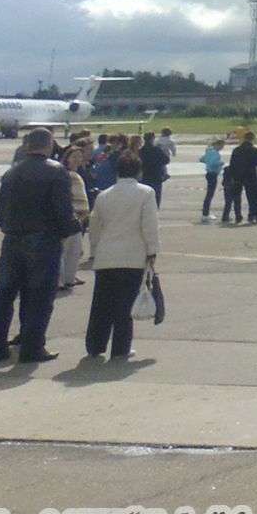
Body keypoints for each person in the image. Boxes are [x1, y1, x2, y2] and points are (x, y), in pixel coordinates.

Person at [0, 127, 77, 364]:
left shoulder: (11, 173)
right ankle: (32, 348)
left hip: (13, 238)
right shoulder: (56, 172)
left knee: (5, 294)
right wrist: (71, 229)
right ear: (48, 145)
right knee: (40, 296)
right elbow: (63, 211)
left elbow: (1, 212)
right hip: (43, 239)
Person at [82, 150, 158, 362]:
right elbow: (149, 225)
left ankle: (95, 345)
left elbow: (95, 226)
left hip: (106, 255)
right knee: (125, 304)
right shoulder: (146, 193)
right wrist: (152, 250)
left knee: (102, 303)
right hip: (132, 256)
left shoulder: (103, 195)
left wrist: (95, 251)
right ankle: (120, 348)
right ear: (138, 171)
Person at [57, 145, 90, 291]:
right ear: (67, 158)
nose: (78, 159)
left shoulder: (79, 174)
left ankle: (69, 279)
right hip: (69, 217)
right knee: (64, 251)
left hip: (78, 220)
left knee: (75, 251)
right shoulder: (65, 174)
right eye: (74, 156)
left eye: (79, 156)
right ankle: (60, 280)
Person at [137, 131, 168, 207]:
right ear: (152, 139)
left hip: (144, 177)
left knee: (144, 198)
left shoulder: (140, 151)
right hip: (155, 177)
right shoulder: (157, 150)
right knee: (155, 198)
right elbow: (166, 160)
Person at [199, 140, 223, 223]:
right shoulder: (215, 153)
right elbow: (213, 163)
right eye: (221, 146)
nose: (222, 148)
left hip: (208, 173)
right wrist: (220, 163)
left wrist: (207, 161)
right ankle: (205, 213)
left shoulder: (209, 151)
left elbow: (201, 159)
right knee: (210, 194)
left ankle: (205, 212)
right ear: (217, 144)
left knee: (209, 194)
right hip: (213, 173)